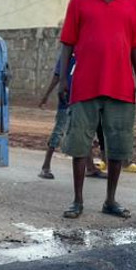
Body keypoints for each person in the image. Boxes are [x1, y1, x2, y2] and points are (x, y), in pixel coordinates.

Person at [57, 0, 136, 219]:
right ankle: (77, 201)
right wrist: (63, 78)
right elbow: (67, 43)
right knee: (78, 145)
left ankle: (111, 200)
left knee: (118, 146)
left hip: (120, 86)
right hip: (85, 84)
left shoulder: (134, 2)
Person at [37, 52, 106, 180]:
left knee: (84, 133)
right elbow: (57, 76)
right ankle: (45, 166)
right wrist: (46, 96)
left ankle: (90, 167)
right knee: (59, 131)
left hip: (83, 98)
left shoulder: (86, 52)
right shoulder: (67, 54)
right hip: (67, 98)